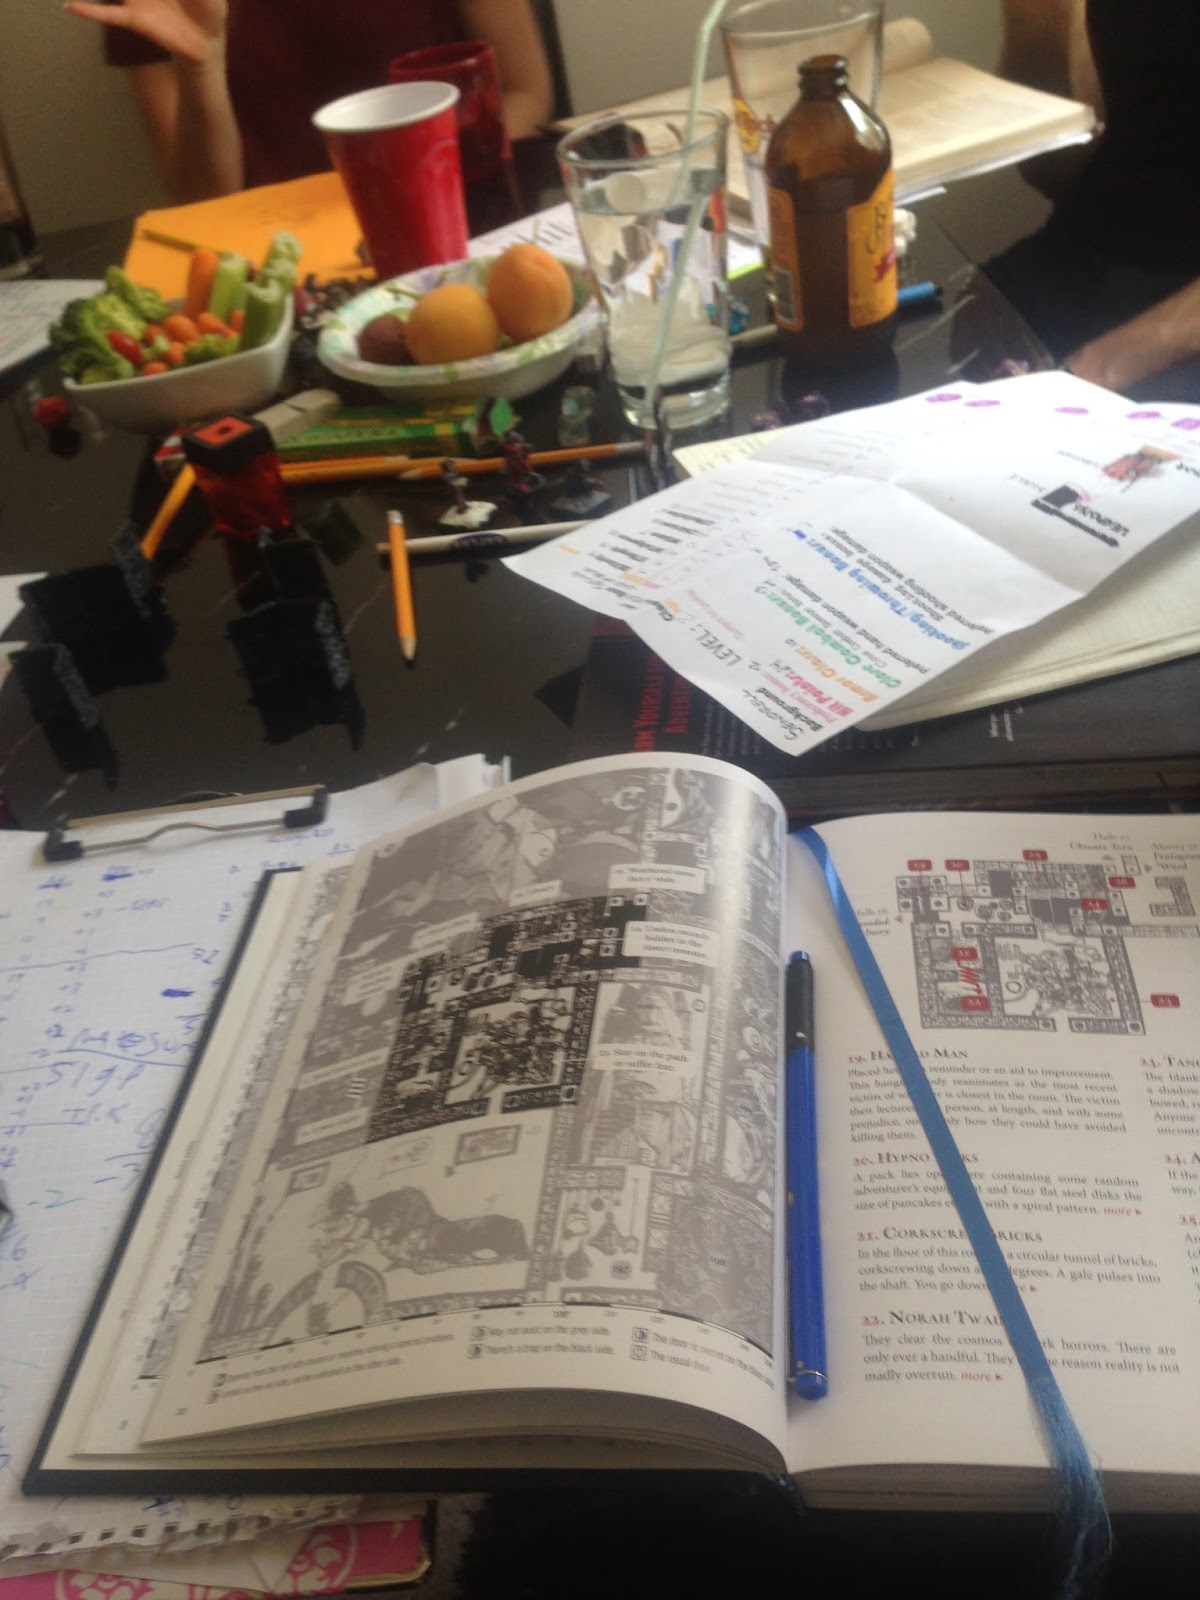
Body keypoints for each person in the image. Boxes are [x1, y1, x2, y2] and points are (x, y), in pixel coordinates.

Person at [67, 0, 555, 201]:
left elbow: (526, 92)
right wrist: (201, 68)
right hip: (281, 277)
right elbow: (203, 199)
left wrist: (430, 187)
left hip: (461, 223)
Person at [986, 0, 1200, 398]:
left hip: (1178, 320)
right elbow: (1052, 174)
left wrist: (1104, 365)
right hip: (1085, 262)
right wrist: (1040, 21)